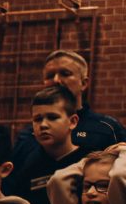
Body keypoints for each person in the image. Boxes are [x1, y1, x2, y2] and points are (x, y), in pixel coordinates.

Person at [8, 84, 94, 204]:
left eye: (52, 117)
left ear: (73, 122)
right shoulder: (27, 167)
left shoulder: (89, 162)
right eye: (37, 119)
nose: (43, 125)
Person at [10, 50, 121, 178]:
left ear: (83, 83)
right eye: (50, 76)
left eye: (65, 74)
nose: (56, 80)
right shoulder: (27, 137)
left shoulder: (107, 128)